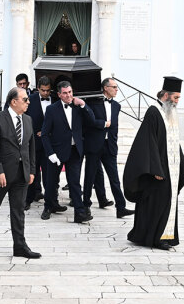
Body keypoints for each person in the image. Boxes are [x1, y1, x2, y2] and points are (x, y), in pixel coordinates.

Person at [123, 76, 184, 250]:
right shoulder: (154, 112)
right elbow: (148, 142)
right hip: (159, 170)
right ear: (166, 95)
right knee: (156, 204)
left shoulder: (170, 114)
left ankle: (166, 236)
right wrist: (155, 169)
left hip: (172, 169)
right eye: (175, 97)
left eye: (178, 98)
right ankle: (155, 238)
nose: (177, 101)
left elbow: (174, 141)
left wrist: (183, 166)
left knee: (168, 203)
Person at [0, 87, 40, 259]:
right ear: (14, 101)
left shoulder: (28, 120)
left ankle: (20, 246)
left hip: (22, 174)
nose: (28, 102)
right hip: (2, 175)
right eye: (25, 99)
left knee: (18, 210)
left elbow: (31, 148)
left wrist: (32, 170)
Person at [40, 81, 100, 224]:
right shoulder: (51, 109)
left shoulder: (78, 107)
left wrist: (84, 105)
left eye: (70, 92)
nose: (68, 95)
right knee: (51, 182)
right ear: (59, 94)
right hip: (57, 152)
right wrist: (50, 153)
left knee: (74, 183)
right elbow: (44, 134)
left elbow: (91, 121)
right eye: (65, 93)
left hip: (75, 151)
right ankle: (48, 207)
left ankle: (79, 213)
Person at [82, 78, 133, 218]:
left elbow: (114, 128)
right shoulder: (93, 103)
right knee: (89, 177)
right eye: (114, 87)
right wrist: (102, 124)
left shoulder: (116, 106)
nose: (117, 90)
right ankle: (85, 206)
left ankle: (121, 207)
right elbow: (89, 123)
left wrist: (114, 143)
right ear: (105, 88)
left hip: (109, 146)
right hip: (94, 146)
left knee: (114, 178)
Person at [24, 77, 54, 208]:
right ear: (38, 89)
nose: (46, 93)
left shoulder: (56, 99)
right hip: (33, 143)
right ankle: (27, 200)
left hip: (50, 144)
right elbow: (24, 118)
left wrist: (47, 131)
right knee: (32, 172)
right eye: (43, 90)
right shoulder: (30, 99)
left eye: (48, 90)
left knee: (49, 175)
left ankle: (50, 202)